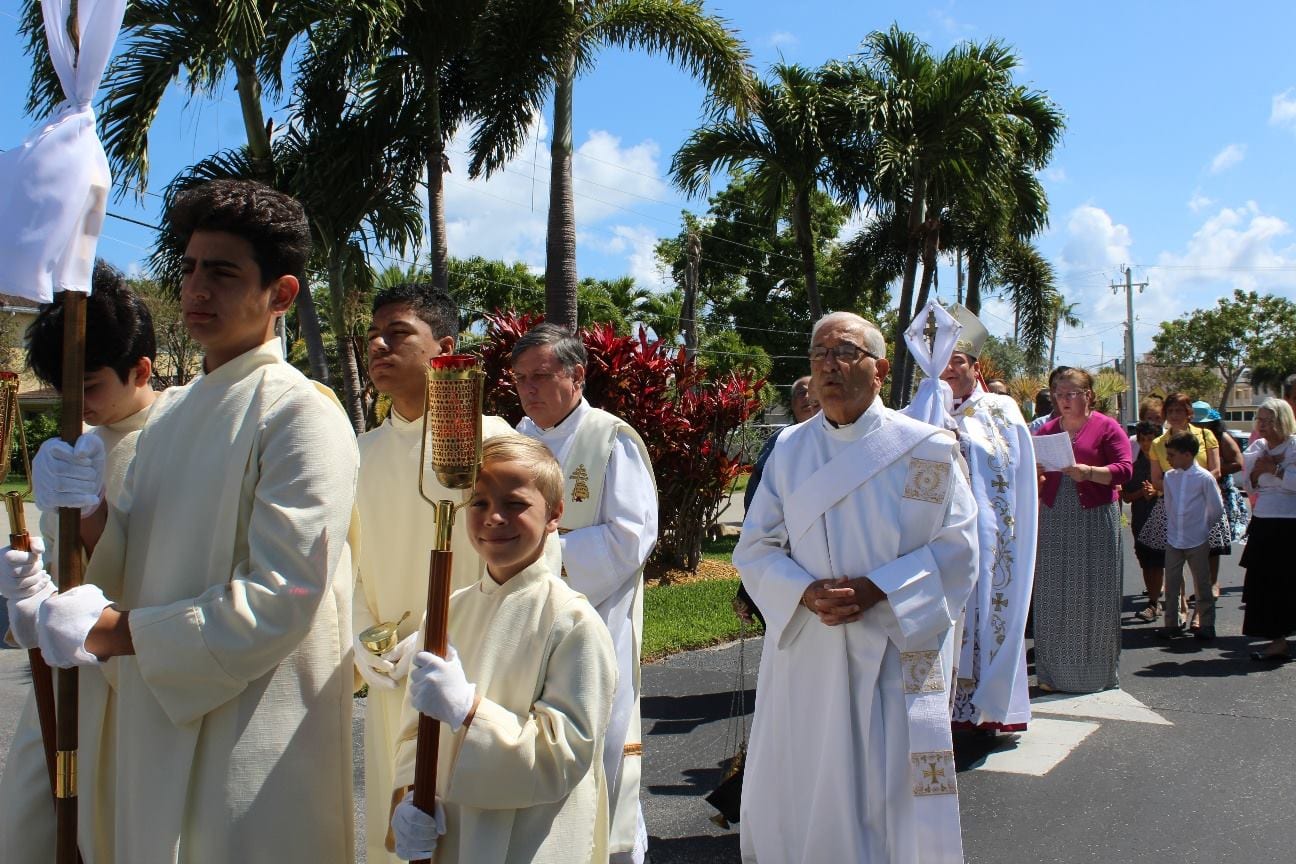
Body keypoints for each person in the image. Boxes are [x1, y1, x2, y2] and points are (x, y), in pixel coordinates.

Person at [9, 179, 359, 862]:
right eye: (191, 268)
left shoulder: (302, 413)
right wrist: (88, 512)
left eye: (223, 273)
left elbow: (286, 594)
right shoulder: (171, 413)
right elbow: (132, 551)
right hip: (156, 706)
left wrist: (121, 633)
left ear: (281, 294)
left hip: (254, 725)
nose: (197, 289)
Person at [735, 311, 978, 863]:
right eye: (819, 354)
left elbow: (959, 549)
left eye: (844, 352)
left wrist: (879, 589)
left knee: (883, 782)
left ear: (879, 367)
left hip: (890, 645)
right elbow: (756, 547)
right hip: (809, 645)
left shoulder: (927, 450)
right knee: (807, 773)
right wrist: (802, 592)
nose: (828, 366)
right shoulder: (789, 450)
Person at [353, 282, 526, 862]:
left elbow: (521, 565)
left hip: (468, 668)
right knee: (395, 822)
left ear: (444, 346)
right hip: (385, 670)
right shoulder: (361, 451)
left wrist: (432, 629)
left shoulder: (494, 442)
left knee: (459, 826)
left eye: (398, 333)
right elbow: (343, 560)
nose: (379, 345)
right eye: (374, 335)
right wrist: (360, 635)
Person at [388, 436, 617, 863]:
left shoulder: (572, 622)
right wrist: (407, 797)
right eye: (478, 503)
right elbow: (414, 732)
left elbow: (564, 755)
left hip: (529, 842)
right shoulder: (445, 610)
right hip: (450, 832)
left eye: (514, 504)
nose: (493, 517)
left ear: (555, 513)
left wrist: (467, 712)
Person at [0, 262, 158, 863]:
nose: (76, 406)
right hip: (63, 678)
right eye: (66, 389)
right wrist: (25, 586)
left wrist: (94, 518)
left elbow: (151, 568)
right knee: (25, 828)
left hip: (133, 671)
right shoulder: (68, 448)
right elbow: (60, 572)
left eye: (89, 387)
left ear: (141, 369)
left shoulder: (177, 438)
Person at [512, 323, 656, 864]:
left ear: (577, 375)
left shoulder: (609, 439)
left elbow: (629, 537)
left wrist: (542, 555)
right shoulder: (513, 440)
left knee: (597, 749)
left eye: (542, 376)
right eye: (520, 378)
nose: (529, 388)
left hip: (594, 621)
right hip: (522, 620)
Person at [939, 305, 1038, 734]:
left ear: (974, 367)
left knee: (986, 616)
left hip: (989, 535)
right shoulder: (921, 408)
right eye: (942, 360)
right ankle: (942, 707)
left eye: (957, 360)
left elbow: (1009, 465)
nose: (949, 369)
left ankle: (986, 709)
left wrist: (960, 441)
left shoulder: (1000, 409)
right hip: (941, 537)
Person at [1033, 367, 1132, 693]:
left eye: (1072, 393)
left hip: (1094, 517)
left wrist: (1089, 471)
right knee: (1053, 590)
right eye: (1060, 394)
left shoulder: (1107, 427)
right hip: (1054, 515)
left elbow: (1124, 470)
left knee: (1094, 592)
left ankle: (1094, 673)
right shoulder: (1045, 430)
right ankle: (1052, 674)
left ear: (1089, 395)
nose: (1065, 399)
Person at [734, 376, 817, 627]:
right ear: (791, 404)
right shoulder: (780, 443)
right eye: (800, 393)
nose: (807, 398)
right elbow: (757, 502)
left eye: (811, 391)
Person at [1148, 393, 1227, 623]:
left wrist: (1191, 486)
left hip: (1200, 505)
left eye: (1179, 411)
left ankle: (1201, 618)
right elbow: (1156, 480)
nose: (1174, 416)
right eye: (1170, 411)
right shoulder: (1158, 443)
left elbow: (1216, 470)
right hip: (1171, 506)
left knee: (1202, 572)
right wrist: (1176, 484)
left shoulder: (1205, 435)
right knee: (1173, 572)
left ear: (1188, 413)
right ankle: (1177, 613)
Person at [1241, 398, 1296, 662]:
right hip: (1264, 518)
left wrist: (1273, 469)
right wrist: (1263, 473)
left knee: (1288, 581)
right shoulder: (1257, 448)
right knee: (1265, 582)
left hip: (1290, 522)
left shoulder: (1294, 446)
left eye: (1267, 420)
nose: (1261, 425)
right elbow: (1251, 482)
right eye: (1259, 420)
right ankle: (1277, 640)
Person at [1157, 432, 1224, 642]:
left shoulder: (1204, 478)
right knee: (1172, 583)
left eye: (1172, 455)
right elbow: (1169, 504)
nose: (1168, 459)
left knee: (1202, 583)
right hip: (1174, 538)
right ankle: (1172, 622)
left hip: (1197, 538)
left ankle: (1207, 623)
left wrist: (1202, 527)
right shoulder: (1170, 477)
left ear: (1187, 455)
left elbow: (1216, 508)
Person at [1121, 421, 1166, 624]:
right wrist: (1143, 492)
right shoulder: (1134, 466)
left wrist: (1157, 491)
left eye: (1151, 439)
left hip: (1162, 519)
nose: (1147, 444)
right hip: (1139, 518)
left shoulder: (1167, 463)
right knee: (1145, 562)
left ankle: (1154, 602)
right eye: (1143, 440)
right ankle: (1153, 598)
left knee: (1158, 562)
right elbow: (1127, 497)